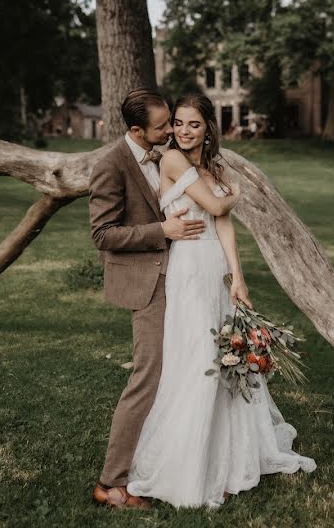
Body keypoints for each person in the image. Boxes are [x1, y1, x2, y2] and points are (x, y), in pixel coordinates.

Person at [125, 93, 315, 509]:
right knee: (196, 358)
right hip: (189, 268)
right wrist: (236, 193)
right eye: (177, 123)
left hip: (214, 267)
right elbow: (216, 203)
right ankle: (190, 464)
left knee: (224, 354)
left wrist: (238, 277)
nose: (183, 131)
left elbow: (223, 223)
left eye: (193, 124)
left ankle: (229, 457)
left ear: (208, 127)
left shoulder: (213, 166)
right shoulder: (174, 160)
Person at [88, 88, 207, 509]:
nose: (172, 130)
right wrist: (163, 231)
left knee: (183, 369)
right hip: (147, 283)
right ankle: (110, 482)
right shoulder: (110, 165)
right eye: (163, 126)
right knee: (147, 375)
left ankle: (170, 460)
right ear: (138, 130)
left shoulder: (162, 157)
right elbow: (103, 235)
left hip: (180, 277)